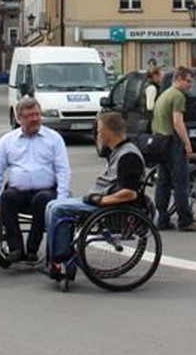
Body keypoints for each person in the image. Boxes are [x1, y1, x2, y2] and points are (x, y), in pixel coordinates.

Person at [41, 112, 145, 272]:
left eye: (99, 131)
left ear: (107, 132)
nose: (97, 135)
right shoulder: (118, 150)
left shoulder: (128, 156)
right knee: (52, 204)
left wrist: (102, 200)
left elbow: (130, 193)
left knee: (57, 209)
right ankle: (53, 257)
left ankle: (62, 261)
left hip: (110, 206)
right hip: (100, 199)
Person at [0, 96, 72, 262]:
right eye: (30, 116)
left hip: (46, 191)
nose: (35, 119)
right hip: (18, 191)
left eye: (37, 114)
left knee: (43, 199)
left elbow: (63, 170)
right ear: (19, 118)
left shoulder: (54, 139)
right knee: (7, 197)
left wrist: (61, 199)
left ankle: (32, 249)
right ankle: (15, 248)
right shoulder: (7, 141)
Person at [151, 66, 196, 231]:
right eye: (188, 81)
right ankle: (185, 220)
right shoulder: (178, 96)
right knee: (181, 182)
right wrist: (187, 143)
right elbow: (177, 122)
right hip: (173, 142)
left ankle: (162, 219)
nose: (190, 85)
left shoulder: (164, 95)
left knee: (163, 183)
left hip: (160, 142)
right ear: (179, 79)